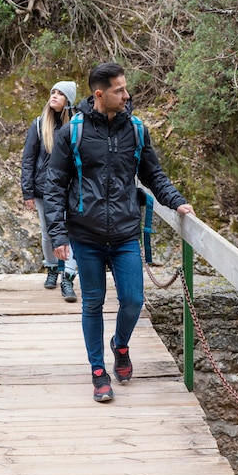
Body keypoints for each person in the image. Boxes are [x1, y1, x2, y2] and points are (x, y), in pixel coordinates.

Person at [44, 62, 195, 402]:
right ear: (100, 94)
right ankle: (98, 372)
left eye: (125, 88)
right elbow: (53, 185)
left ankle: (120, 345)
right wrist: (58, 234)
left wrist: (176, 201)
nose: (127, 95)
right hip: (86, 233)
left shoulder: (136, 130)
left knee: (133, 300)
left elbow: (153, 174)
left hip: (126, 232)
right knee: (92, 303)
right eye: (119, 90)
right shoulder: (73, 133)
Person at [21, 80, 79, 302]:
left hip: (70, 188)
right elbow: (28, 159)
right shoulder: (38, 125)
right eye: (52, 92)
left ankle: (69, 276)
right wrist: (27, 192)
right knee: (48, 232)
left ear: (69, 100)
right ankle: (52, 268)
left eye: (60, 93)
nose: (54, 96)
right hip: (44, 189)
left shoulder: (76, 126)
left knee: (72, 231)